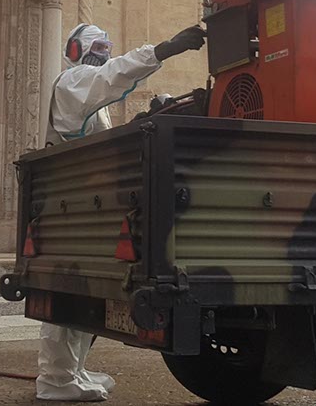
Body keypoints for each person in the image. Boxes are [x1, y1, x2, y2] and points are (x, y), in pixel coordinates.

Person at [37, 22, 207, 401]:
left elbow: (98, 139)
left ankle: (72, 371)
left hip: (84, 202)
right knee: (66, 292)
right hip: (70, 203)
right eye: (98, 46)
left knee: (83, 293)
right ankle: (55, 380)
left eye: (107, 46)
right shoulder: (73, 81)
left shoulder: (87, 95)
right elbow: (110, 76)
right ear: (77, 50)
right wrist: (164, 49)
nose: (105, 53)